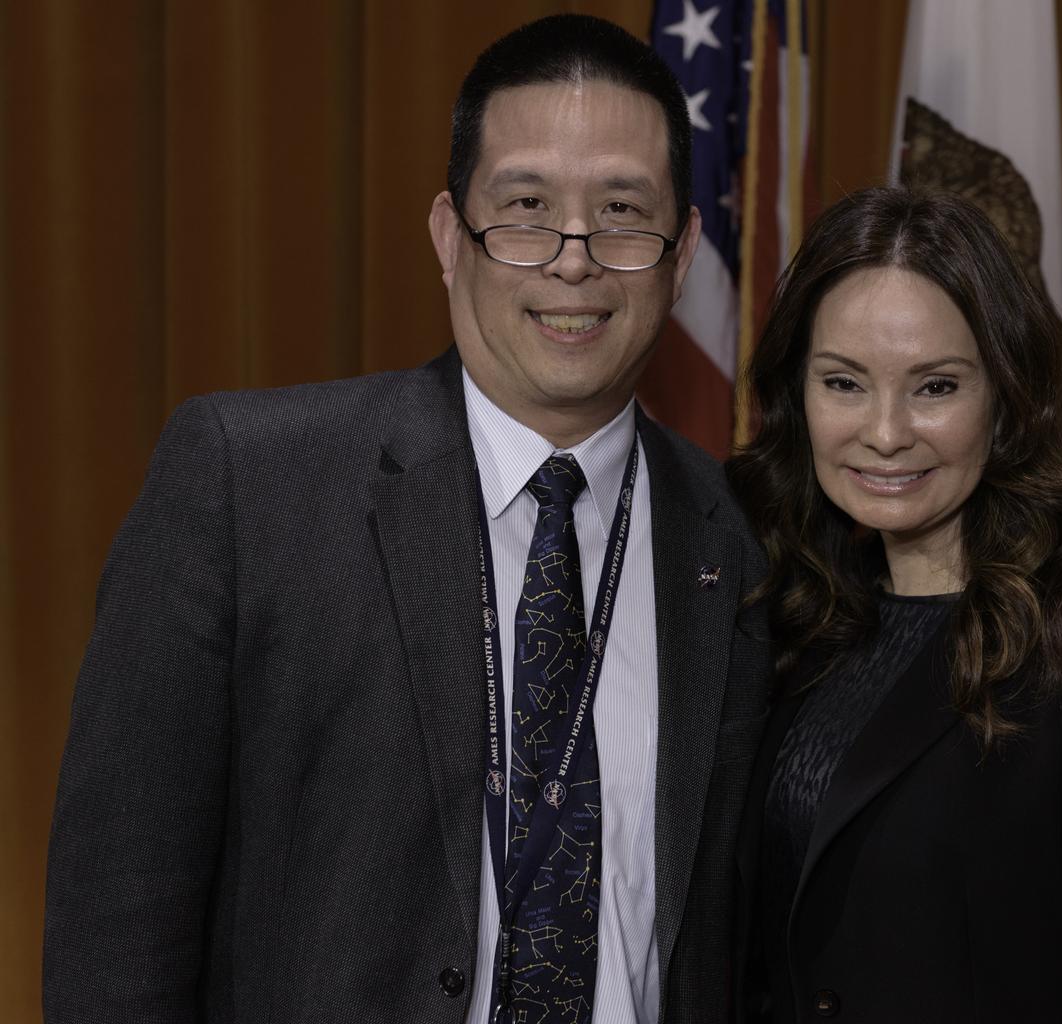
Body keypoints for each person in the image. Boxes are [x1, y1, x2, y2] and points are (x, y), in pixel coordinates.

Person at [43, 15, 771, 1024]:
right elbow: (118, 921)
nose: (573, 260)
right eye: (524, 207)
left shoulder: (739, 536)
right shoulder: (247, 487)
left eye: (621, 213)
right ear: (446, 235)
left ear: (682, 251)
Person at [727, 187, 1062, 1022]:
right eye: (844, 382)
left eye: (935, 387)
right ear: (798, 396)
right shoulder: (793, 618)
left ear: (1007, 397)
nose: (886, 432)